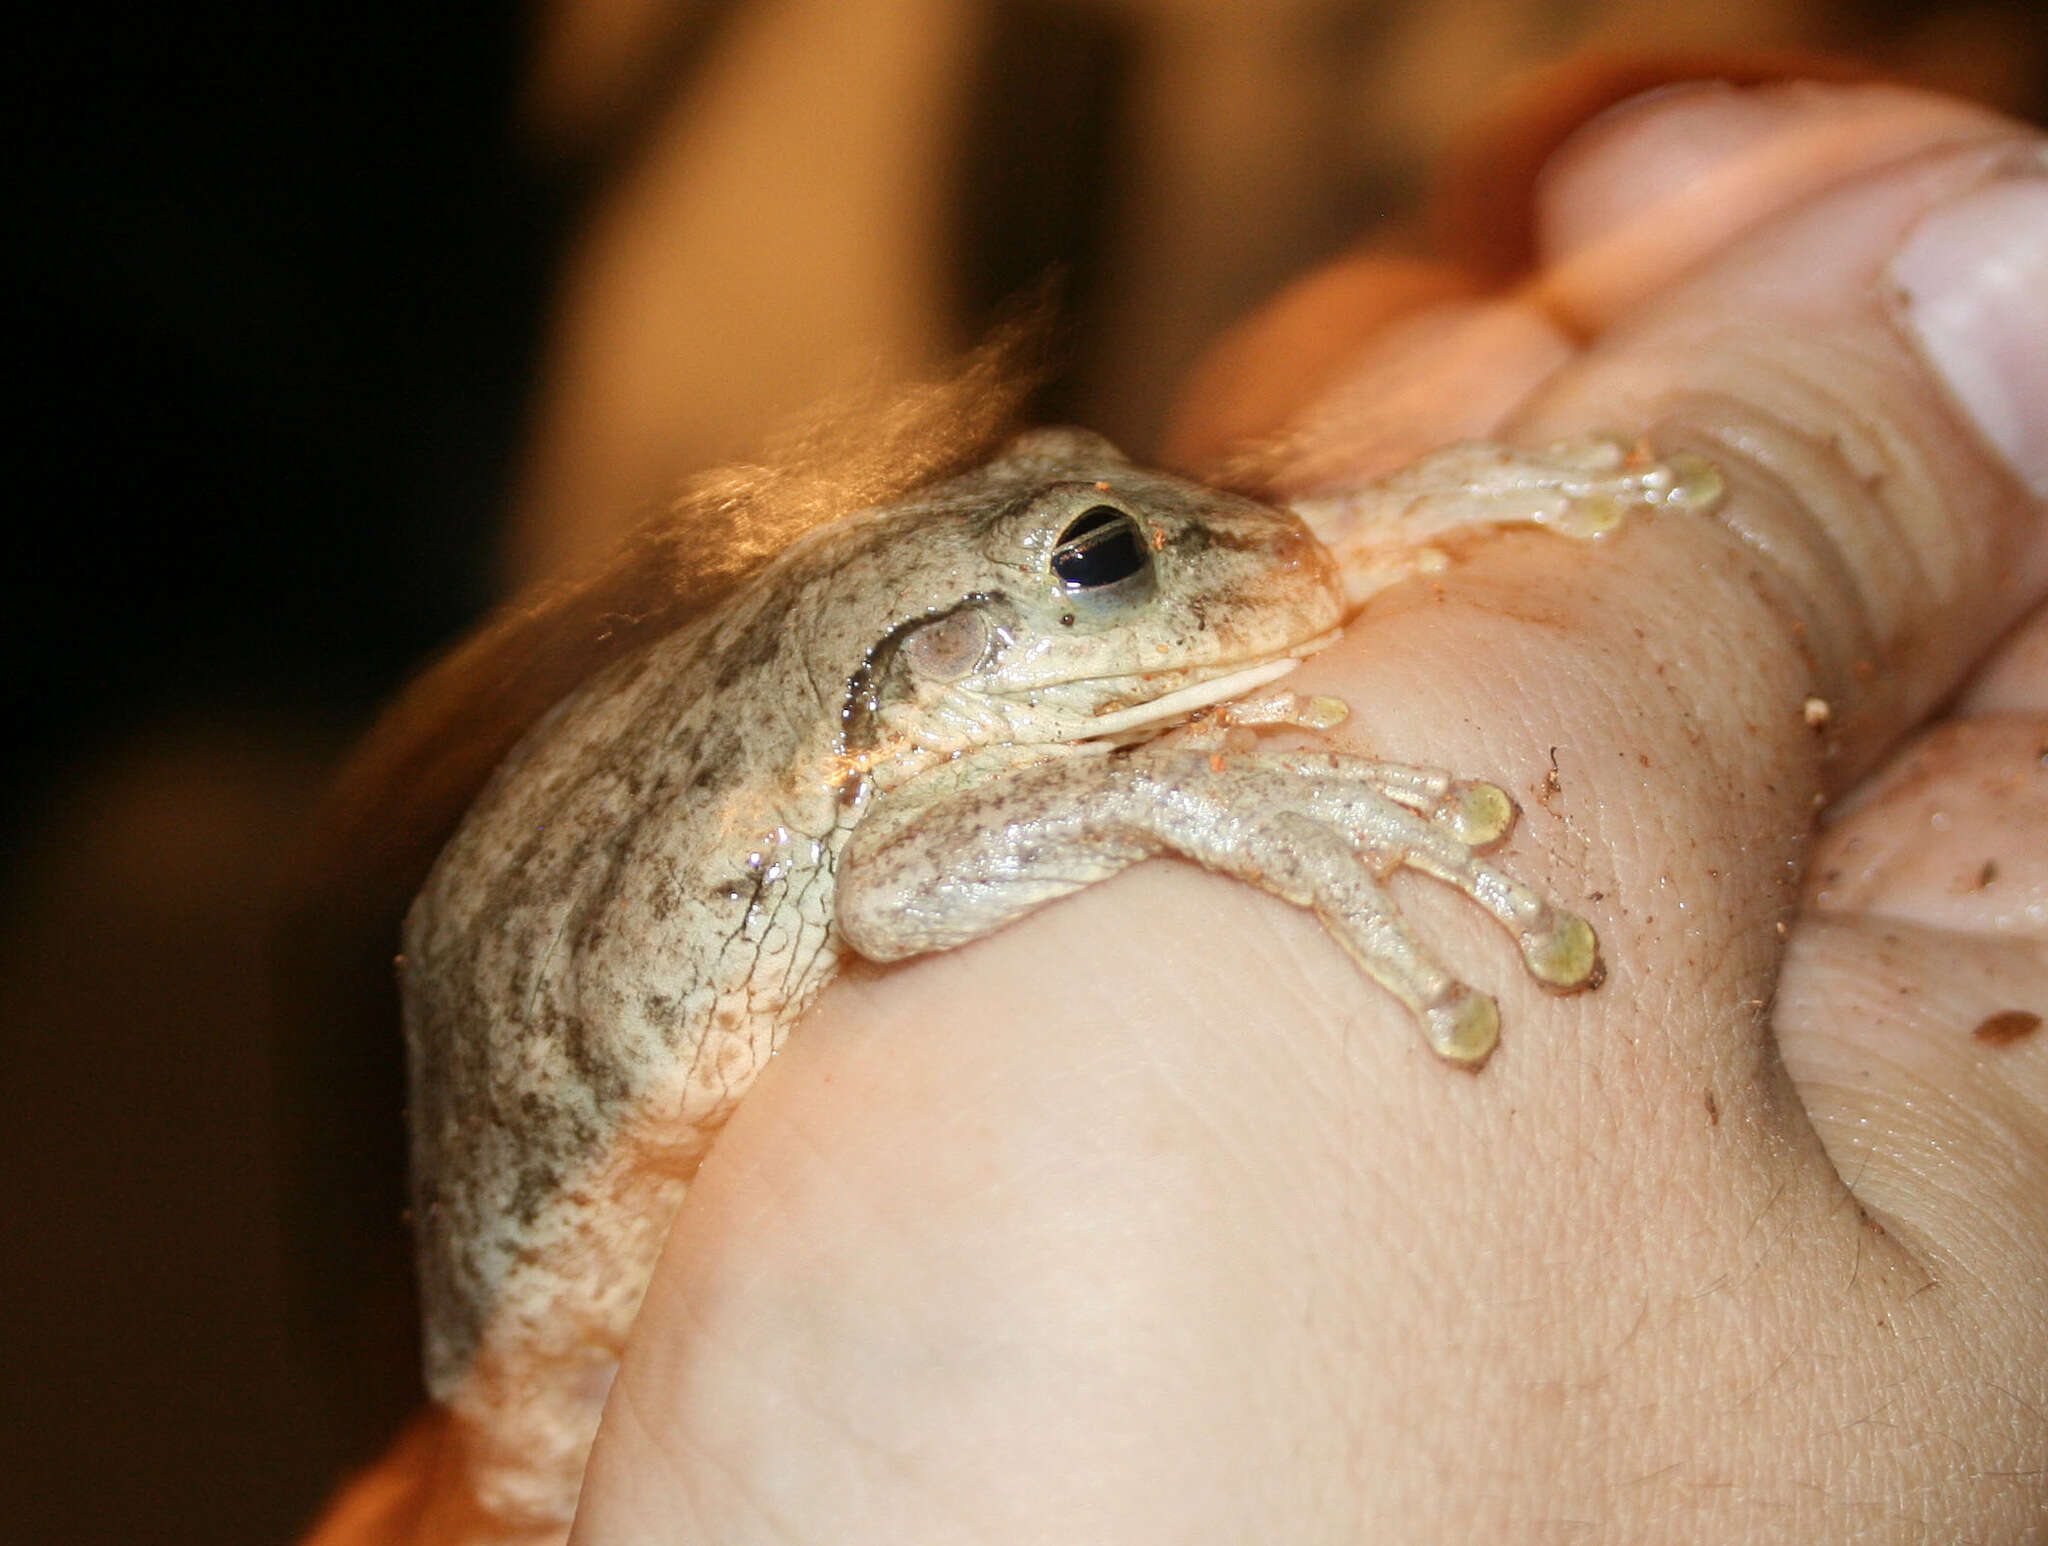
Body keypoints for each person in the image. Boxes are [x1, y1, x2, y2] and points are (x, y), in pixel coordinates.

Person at [325, 78, 2048, 1543]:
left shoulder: (938, 692)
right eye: (1098, 565)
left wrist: (1362, 538)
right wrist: (1188, 795)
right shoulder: (898, 782)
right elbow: (896, 885)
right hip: (552, 1322)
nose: (1146, 555)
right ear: (941, 664)